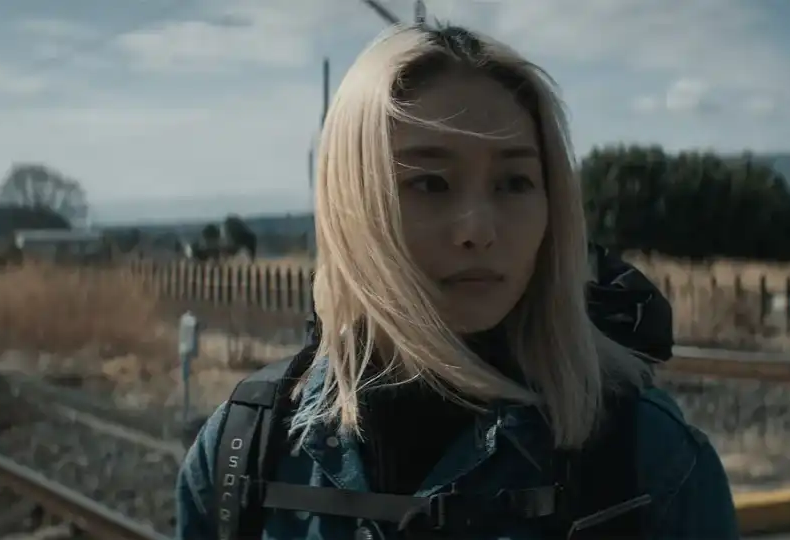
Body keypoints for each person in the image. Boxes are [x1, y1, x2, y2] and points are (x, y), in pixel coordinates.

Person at [176, 23, 738, 540]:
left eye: (514, 182)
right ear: (351, 205)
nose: (478, 230)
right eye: (431, 183)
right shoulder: (242, 452)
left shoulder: (651, 465)